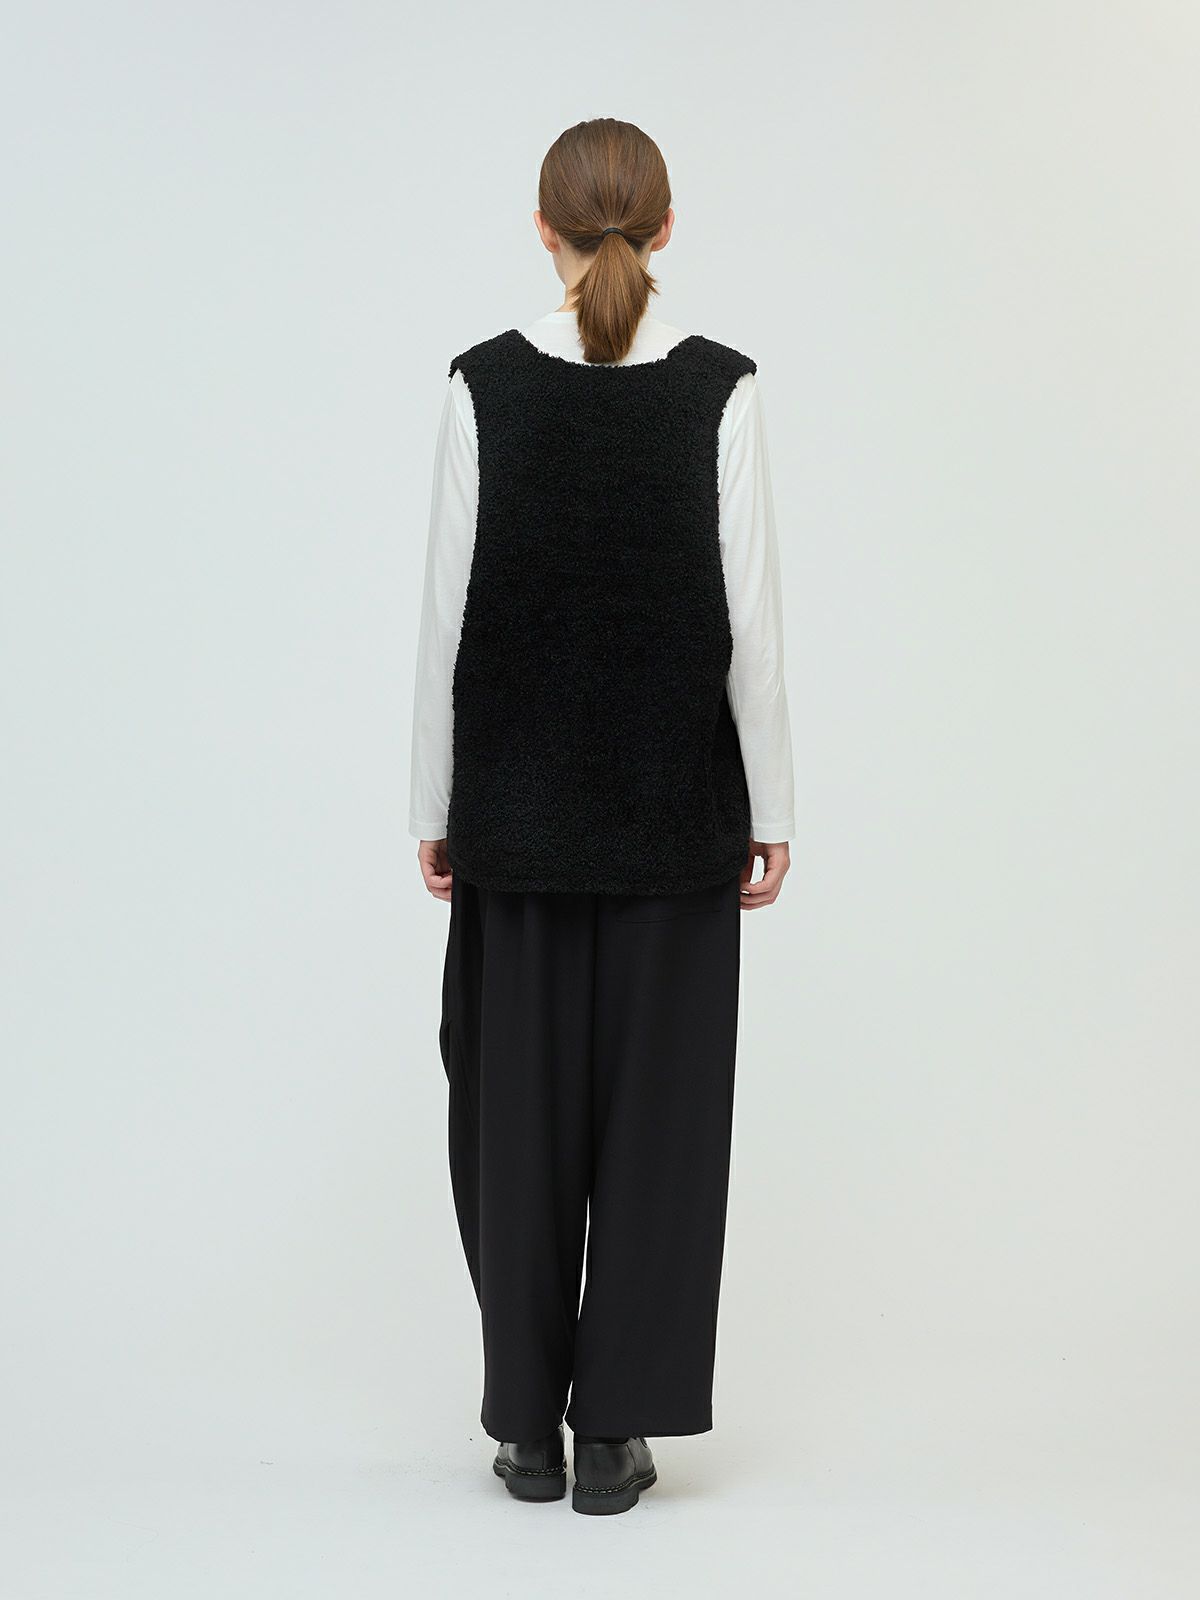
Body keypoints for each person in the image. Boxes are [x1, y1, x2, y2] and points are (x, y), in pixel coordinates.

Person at [409, 117, 795, 1516]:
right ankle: (615, 1433)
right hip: (676, 820)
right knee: (662, 1133)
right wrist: (771, 804)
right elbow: (748, 623)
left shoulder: (483, 386)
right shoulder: (721, 390)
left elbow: (449, 616)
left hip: (513, 820)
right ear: (667, 228)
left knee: (512, 1126)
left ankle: (526, 1423)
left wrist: (435, 805)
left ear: (543, 229)